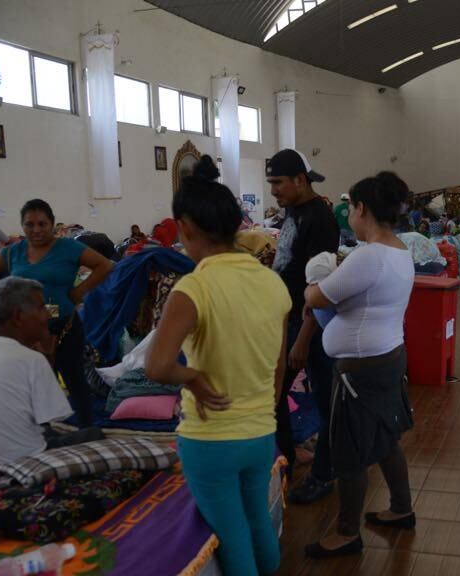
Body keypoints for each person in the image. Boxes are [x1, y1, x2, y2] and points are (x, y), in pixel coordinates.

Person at [145, 157, 290, 576]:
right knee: (257, 517)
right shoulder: (272, 281)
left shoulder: (194, 287)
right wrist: (265, 408)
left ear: (185, 227)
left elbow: (156, 366)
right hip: (260, 431)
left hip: (211, 439)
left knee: (232, 534)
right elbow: (279, 364)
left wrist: (191, 376)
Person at [303, 172, 415, 558]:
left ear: (362, 209)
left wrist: (311, 284)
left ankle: (347, 533)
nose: (349, 214)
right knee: (385, 438)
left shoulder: (369, 256)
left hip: (361, 369)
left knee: (347, 450)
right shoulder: (399, 250)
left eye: (350, 207)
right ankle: (401, 508)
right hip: (388, 356)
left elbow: (318, 297)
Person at [0, 278, 102, 488]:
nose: (48, 315)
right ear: (19, 317)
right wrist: (48, 356)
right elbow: (49, 418)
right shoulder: (31, 360)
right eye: (41, 308)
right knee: (93, 434)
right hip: (19, 473)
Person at [0, 199, 114, 427]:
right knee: (34, 382)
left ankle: (87, 428)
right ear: (22, 226)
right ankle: (40, 432)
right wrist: (5, 300)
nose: (36, 230)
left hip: (64, 326)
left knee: (74, 378)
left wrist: (78, 292)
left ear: (52, 224)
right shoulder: (14, 252)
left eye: (42, 224)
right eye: (29, 224)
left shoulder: (68, 248)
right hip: (27, 332)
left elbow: (105, 265)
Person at [266, 149, 340, 503]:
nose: (273, 191)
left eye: (278, 183)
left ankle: (324, 475)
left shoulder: (320, 218)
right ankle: (285, 467)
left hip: (311, 325)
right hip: (289, 319)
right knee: (274, 395)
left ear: (299, 180)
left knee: (325, 401)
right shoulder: (294, 211)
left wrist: (303, 338)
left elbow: (320, 287)